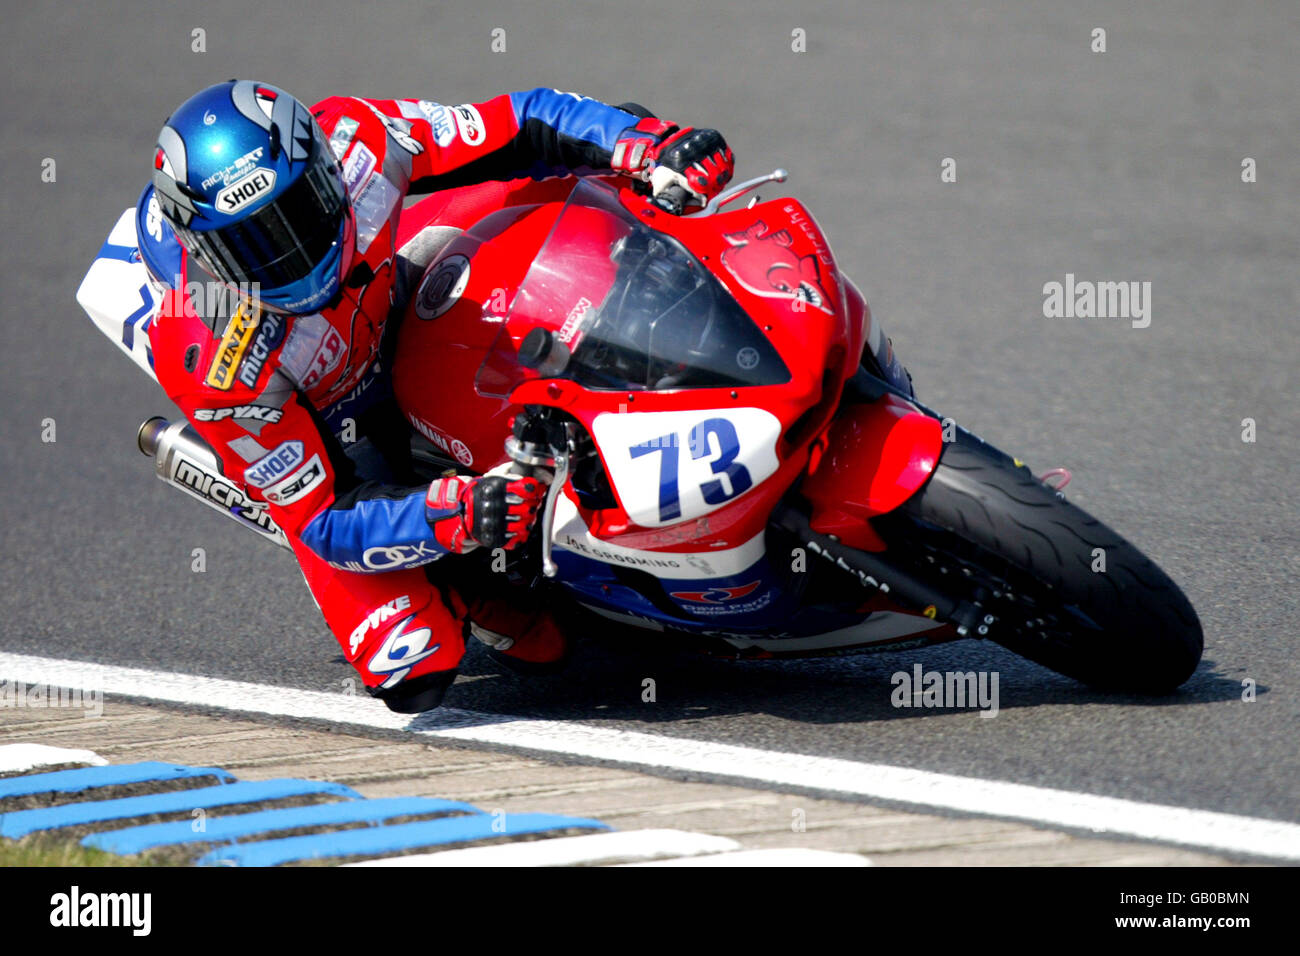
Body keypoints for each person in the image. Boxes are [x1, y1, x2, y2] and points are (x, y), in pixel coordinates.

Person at [136, 80, 734, 713]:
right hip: (333, 424)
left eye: (302, 211)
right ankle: (468, 587)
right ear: (207, 255)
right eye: (254, 246)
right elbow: (323, 518)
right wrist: (457, 515)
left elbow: (518, 120)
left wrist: (648, 146)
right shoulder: (215, 361)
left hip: (396, 285)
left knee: (603, 162)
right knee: (426, 668)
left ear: (326, 173)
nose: (292, 254)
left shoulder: (360, 140)